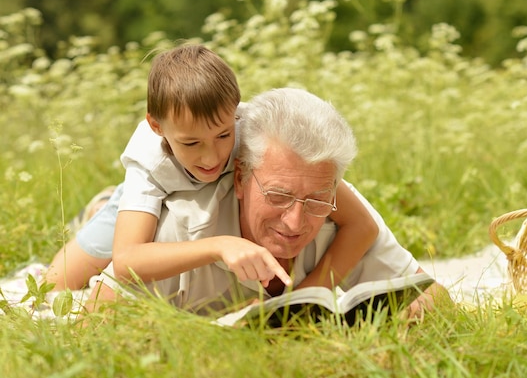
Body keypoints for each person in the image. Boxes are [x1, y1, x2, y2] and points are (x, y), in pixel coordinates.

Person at [45, 44, 379, 293]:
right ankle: (102, 206)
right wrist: (219, 245)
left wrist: (308, 296)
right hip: (140, 198)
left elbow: (361, 223)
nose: (211, 157)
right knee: (54, 285)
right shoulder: (148, 160)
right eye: (191, 144)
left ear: (235, 112)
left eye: (223, 136)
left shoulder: (258, 133)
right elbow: (128, 262)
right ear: (156, 126)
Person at [89, 88, 450, 318]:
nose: (295, 223)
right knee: (65, 273)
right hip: (139, 203)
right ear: (242, 177)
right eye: (278, 196)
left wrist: (408, 318)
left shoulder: (336, 214)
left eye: (316, 201)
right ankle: (103, 203)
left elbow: (436, 295)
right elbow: (94, 312)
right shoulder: (188, 226)